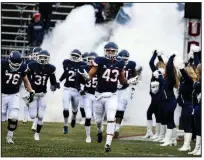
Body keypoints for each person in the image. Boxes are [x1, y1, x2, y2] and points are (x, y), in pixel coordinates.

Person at [80, 42, 138, 152]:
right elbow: (90, 76)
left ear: (116, 51)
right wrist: (86, 76)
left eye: (112, 51)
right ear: (105, 51)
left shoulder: (120, 64)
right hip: (99, 95)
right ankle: (99, 131)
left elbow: (122, 81)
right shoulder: (99, 60)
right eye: (108, 50)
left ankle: (108, 144)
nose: (110, 52)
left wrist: (129, 82)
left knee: (111, 118)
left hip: (112, 95)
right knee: (98, 121)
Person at [2, 51, 35, 144]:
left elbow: (26, 81)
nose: (16, 66)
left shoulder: (23, 66)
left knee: (14, 116)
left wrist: (31, 91)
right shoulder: (2, 64)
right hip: (2, 94)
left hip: (14, 95)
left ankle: (9, 137)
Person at [27, 50, 60, 140]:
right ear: (38, 57)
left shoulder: (51, 68)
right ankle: (29, 106)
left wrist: (56, 85)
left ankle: (37, 134)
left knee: (41, 116)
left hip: (43, 94)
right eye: (41, 57)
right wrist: (29, 88)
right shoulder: (32, 65)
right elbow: (26, 78)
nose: (42, 59)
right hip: (34, 94)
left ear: (48, 59)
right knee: (33, 116)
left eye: (44, 58)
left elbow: (53, 82)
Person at [59, 49, 86, 134]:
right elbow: (65, 73)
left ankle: (74, 117)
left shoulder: (82, 65)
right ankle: (66, 125)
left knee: (74, 109)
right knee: (66, 108)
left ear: (80, 57)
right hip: (67, 89)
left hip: (76, 90)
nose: (74, 57)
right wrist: (59, 81)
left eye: (76, 56)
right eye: (73, 55)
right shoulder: (67, 62)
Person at [114, 49, 138, 138]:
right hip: (113, 89)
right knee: (112, 108)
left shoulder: (131, 64)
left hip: (125, 89)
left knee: (121, 108)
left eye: (126, 59)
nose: (125, 60)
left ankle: (117, 128)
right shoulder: (114, 63)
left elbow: (135, 75)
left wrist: (133, 82)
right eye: (123, 59)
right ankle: (112, 126)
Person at [76, 52, 98, 143]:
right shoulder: (82, 69)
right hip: (88, 95)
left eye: (93, 60)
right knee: (88, 116)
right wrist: (80, 90)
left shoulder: (101, 69)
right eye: (90, 59)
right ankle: (88, 136)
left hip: (98, 95)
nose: (91, 61)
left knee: (98, 118)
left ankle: (100, 130)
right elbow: (77, 82)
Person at [143, 50, 165, 140]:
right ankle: (157, 133)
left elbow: (151, 62)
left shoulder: (157, 72)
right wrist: (159, 56)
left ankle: (152, 132)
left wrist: (155, 54)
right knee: (157, 114)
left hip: (157, 97)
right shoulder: (164, 72)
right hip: (158, 96)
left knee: (150, 113)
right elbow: (162, 63)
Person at [159, 53, 179, 147]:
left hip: (170, 101)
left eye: (166, 66)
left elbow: (170, 66)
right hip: (168, 101)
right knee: (170, 120)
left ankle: (168, 140)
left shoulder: (171, 77)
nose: (165, 67)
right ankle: (173, 140)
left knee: (169, 121)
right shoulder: (167, 77)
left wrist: (171, 56)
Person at [177, 62, 197, 151]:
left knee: (188, 125)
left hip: (189, 105)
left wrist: (182, 69)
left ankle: (187, 145)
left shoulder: (190, 82)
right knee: (185, 125)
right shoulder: (186, 82)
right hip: (185, 105)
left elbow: (186, 77)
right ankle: (186, 144)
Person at [21, 47, 42, 124]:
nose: (36, 56)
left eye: (38, 55)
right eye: (35, 54)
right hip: (30, 84)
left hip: (38, 86)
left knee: (37, 104)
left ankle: (35, 123)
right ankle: (25, 116)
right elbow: (24, 74)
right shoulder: (28, 62)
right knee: (27, 101)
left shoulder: (43, 64)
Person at [188, 46, 201, 156]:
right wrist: (195, 55)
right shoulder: (199, 79)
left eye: (197, 70)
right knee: (197, 129)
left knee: (201, 128)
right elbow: (198, 65)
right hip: (197, 106)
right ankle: (197, 147)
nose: (196, 70)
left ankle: (201, 148)